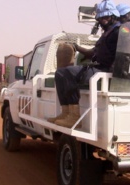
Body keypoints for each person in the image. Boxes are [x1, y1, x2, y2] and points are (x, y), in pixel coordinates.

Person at [47, 0, 120, 128]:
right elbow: (95, 53)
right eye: (100, 18)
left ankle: (75, 117)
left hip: (106, 70)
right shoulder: (106, 33)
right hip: (98, 67)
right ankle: (66, 113)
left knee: (68, 73)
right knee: (60, 73)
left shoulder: (118, 32)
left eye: (106, 17)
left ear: (113, 16)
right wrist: (78, 48)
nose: (103, 20)